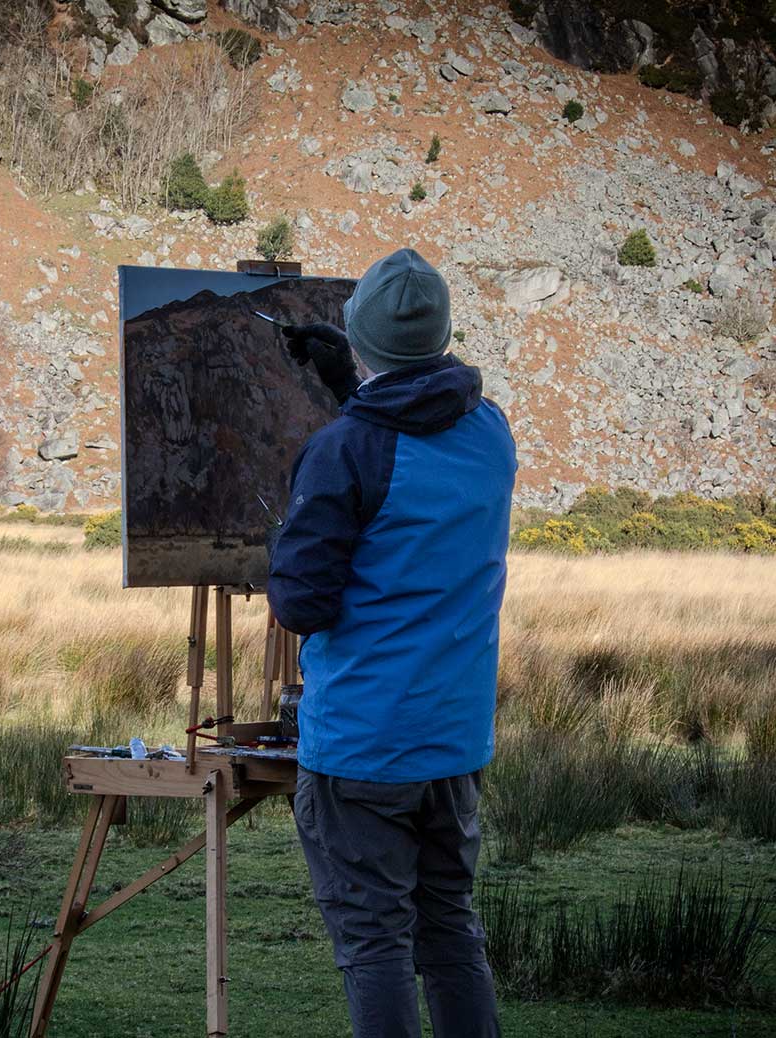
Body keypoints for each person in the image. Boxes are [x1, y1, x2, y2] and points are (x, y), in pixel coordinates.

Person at [267, 248, 517, 1038]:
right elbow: (410, 443)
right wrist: (356, 387)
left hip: (364, 745)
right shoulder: (491, 430)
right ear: (443, 335)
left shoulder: (345, 450)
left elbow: (301, 604)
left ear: (358, 335)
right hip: (452, 736)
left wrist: (286, 533)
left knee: (375, 943)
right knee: (449, 935)